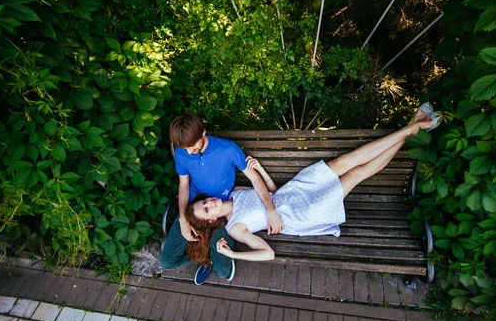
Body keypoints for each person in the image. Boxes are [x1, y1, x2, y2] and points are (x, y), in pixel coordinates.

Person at [183, 106, 440, 264]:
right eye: (207, 210)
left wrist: (261, 171)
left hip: (294, 191)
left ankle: (410, 129)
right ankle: (410, 130)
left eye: (204, 202)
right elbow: (267, 254)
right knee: (356, 174)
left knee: (345, 160)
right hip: (301, 213)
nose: (209, 203)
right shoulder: (237, 228)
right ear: (211, 221)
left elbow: (271, 193)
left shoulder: (236, 194)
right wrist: (235, 255)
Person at [159, 113, 284, 285]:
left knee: (222, 272)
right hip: (195, 209)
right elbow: (184, 186)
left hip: (221, 212)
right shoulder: (182, 152)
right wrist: (182, 219)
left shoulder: (228, 149)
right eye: (183, 148)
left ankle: (210, 257)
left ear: (203, 133)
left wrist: (271, 210)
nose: (188, 152)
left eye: (191, 146)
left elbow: (255, 179)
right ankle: (206, 257)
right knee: (166, 262)